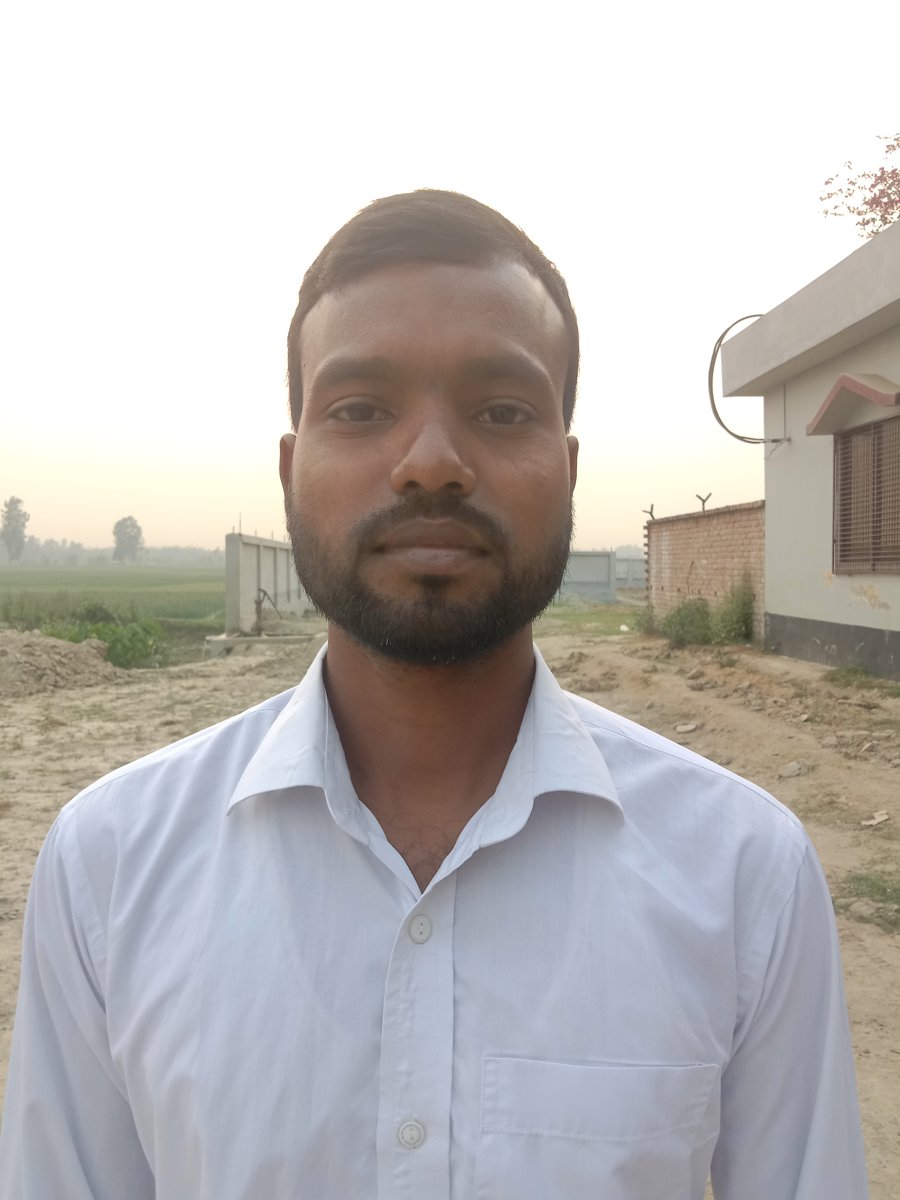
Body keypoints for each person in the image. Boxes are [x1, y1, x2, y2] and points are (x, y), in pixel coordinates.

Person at [0, 190, 868, 1200]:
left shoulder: (743, 873)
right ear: (292, 469)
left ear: (567, 470)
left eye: (501, 411)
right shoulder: (111, 867)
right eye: (360, 409)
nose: (431, 465)